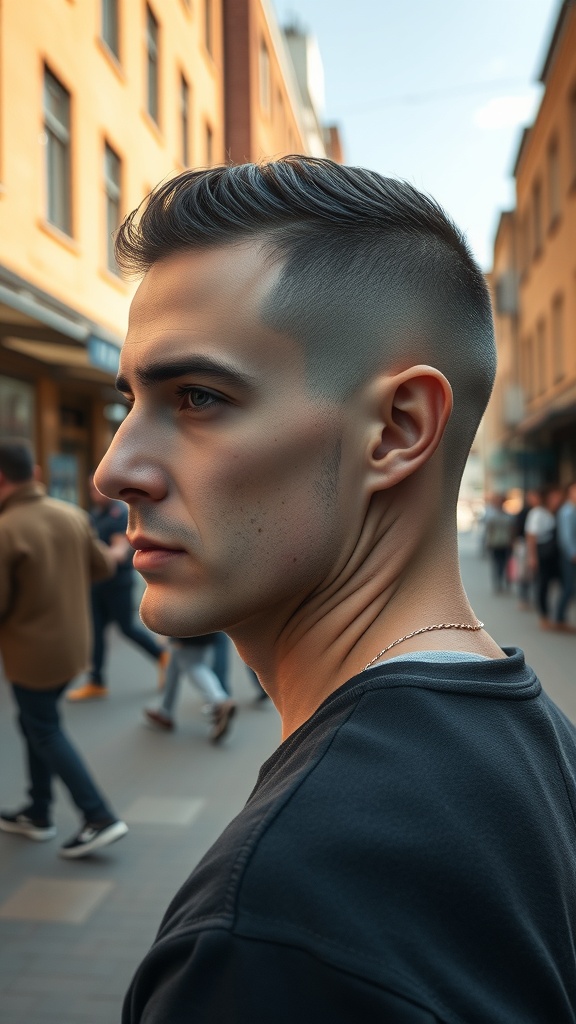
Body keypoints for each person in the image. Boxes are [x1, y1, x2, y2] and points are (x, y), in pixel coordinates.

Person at [96, 159, 576, 1021]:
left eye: (198, 397)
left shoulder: (274, 925)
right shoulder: (544, 745)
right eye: (127, 401)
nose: (115, 470)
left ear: (397, 430)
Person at [0, 439, 128, 858]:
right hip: (74, 648)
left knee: (44, 728)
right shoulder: (71, 514)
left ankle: (98, 816)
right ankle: (39, 811)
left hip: (31, 656)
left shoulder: (6, 529)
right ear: (34, 473)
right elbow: (100, 567)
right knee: (36, 723)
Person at [66, 475, 168, 701]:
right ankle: (97, 681)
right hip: (96, 585)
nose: (95, 493)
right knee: (96, 633)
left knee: (127, 628)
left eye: (97, 489)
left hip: (117, 585)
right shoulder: (94, 515)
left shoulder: (119, 514)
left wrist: (90, 557)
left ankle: (162, 656)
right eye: (91, 489)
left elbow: (119, 554)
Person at [144, 634, 236, 741]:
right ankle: (165, 711)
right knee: (175, 663)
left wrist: (168, 634)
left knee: (193, 665)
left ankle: (220, 700)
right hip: (206, 628)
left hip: (188, 629)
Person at [525, 486, 564, 630]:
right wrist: (532, 557)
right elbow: (531, 536)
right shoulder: (538, 513)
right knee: (542, 585)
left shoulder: (551, 512)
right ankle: (544, 616)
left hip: (551, 554)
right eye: (554, 496)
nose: (557, 500)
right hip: (542, 553)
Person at [483, 493, 513, 593]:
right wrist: (488, 542)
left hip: (505, 543)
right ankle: (498, 583)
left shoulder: (507, 515)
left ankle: (504, 583)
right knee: (497, 564)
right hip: (496, 543)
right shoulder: (492, 515)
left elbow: (512, 530)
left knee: (504, 564)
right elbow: (489, 530)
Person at [556, 481, 576, 631]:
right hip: (570, 556)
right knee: (568, 587)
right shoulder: (567, 511)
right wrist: (572, 553)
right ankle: (559, 618)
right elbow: (565, 536)